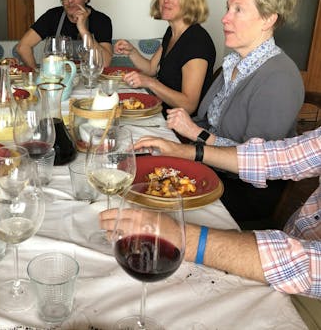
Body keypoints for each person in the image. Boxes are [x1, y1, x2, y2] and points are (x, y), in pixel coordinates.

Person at [104, 131, 321, 306]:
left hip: (307, 300)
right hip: (282, 250)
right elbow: (282, 156)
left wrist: (184, 239)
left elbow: (309, 266)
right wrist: (187, 151)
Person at [165, 0, 304, 223]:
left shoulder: (279, 78)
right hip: (211, 170)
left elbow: (256, 163)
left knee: (156, 213)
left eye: (238, 10)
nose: (225, 18)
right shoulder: (235, 61)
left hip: (242, 195)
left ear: (268, 19)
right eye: (228, 8)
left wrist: (196, 135)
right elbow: (207, 121)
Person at [115, 0, 216, 115]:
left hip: (180, 126)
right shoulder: (172, 32)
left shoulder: (197, 42)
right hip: (161, 111)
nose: (165, 0)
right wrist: (131, 52)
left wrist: (150, 83)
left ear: (190, 0)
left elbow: (189, 105)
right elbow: (151, 68)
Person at [17, 0, 113, 68]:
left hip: (89, 80)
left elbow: (105, 62)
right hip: (58, 80)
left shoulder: (101, 20)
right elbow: (23, 47)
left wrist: (82, 29)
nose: (70, 0)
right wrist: (35, 73)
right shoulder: (52, 16)